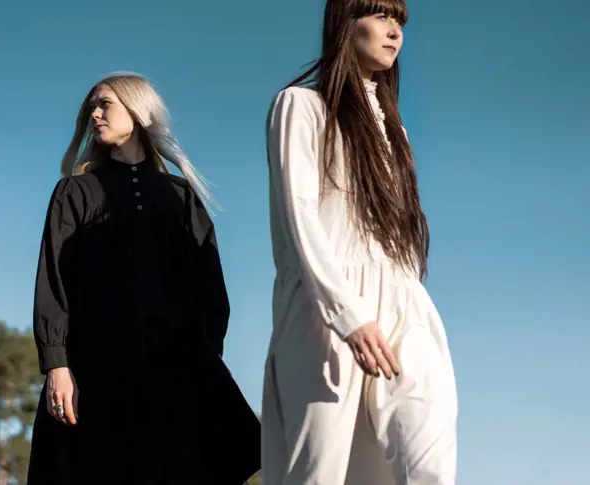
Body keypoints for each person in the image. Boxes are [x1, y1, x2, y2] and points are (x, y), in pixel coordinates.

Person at [27, 71, 260, 485]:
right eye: (91, 109)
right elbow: (54, 283)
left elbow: (211, 291)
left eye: (105, 104)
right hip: (94, 369)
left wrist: (203, 360)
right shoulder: (74, 192)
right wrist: (57, 365)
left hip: (173, 370)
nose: (94, 115)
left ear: (138, 111)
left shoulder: (181, 196)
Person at [262, 1, 458, 484]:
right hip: (323, 305)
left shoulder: (397, 132)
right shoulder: (300, 106)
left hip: (403, 300)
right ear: (346, 24)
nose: (395, 32)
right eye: (381, 17)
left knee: (428, 455)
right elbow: (299, 215)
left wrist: (408, 296)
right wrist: (346, 313)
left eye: (401, 23)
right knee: (320, 469)